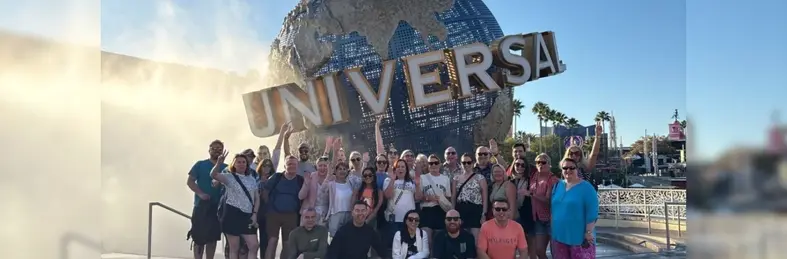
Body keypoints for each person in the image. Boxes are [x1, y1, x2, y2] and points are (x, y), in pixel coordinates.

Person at [210, 150, 260, 259]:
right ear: (234, 164)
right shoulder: (229, 176)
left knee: (254, 245)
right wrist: (219, 163)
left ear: (247, 164)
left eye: (243, 162)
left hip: (247, 215)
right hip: (232, 214)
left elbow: (257, 198)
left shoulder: (251, 179)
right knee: (234, 248)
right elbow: (213, 175)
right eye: (239, 162)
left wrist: (255, 213)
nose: (241, 164)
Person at [550, 158, 599, 259]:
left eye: (572, 168)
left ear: (577, 169)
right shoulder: (557, 186)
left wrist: (588, 232)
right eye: (565, 168)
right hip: (559, 236)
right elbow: (553, 209)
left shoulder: (587, 188)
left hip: (579, 238)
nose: (568, 170)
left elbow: (592, 212)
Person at [186, 140, 227, 259]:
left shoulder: (226, 168)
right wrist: (200, 194)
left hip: (217, 207)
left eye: (219, 148)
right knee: (198, 238)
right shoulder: (200, 164)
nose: (217, 150)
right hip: (201, 206)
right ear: (209, 150)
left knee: (212, 238)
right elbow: (190, 181)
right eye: (214, 148)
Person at [264, 155, 306, 259]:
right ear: (284, 165)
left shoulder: (300, 180)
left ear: (297, 166)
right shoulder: (276, 177)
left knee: (287, 244)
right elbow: (265, 192)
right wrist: (268, 206)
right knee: (272, 241)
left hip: (291, 215)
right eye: (289, 164)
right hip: (273, 214)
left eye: (294, 164)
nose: (292, 166)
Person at [384, 158, 422, 255]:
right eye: (398, 167)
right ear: (395, 169)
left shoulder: (412, 182)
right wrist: (392, 180)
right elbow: (388, 195)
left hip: (410, 220)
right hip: (395, 219)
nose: (400, 169)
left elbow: (418, 198)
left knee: (409, 247)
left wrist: (417, 185)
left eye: (403, 167)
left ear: (406, 169)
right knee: (396, 247)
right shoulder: (388, 180)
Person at [420, 154, 452, 250]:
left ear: (439, 164)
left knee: (439, 240)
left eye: (435, 163)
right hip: (427, 210)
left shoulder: (445, 178)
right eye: (431, 163)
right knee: (427, 240)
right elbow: (417, 196)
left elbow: (448, 197)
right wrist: (428, 198)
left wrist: (442, 200)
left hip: (440, 210)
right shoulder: (423, 178)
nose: (433, 165)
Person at [530, 154, 559, 259]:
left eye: (543, 162)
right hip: (538, 218)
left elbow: (549, 200)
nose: (540, 164)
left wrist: (531, 194)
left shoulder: (553, 179)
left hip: (551, 219)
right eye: (538, 162)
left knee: (555, 252)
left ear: (549, 164)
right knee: (539, 250)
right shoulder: (534, 177)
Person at [451, 153, 487, 237]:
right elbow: (453, 196)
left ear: (473, 163)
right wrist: (453, 211)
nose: (466, 164)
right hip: (461, 208)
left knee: (475, 238)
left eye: (469, 162)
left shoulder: (480, 178)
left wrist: (484, 214)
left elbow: (484, 197)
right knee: (461, 237)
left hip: (475, 209)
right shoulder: (456, 178)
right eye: (464, 163)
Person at [562, 121, 603, 190]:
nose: (574, 156)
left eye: (576, 153)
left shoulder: (584, 168)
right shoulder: (564, 169)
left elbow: (594, 154)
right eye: (571, 153)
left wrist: (597, 137)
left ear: (580, 155)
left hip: (583, 198)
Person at [509, 156, 536, 259]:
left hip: (528, 217)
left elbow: (537, 194)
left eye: (522, 165)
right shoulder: (510, 181)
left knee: (531, 246)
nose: (519, 167)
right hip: (514, 216)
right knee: (514, 246)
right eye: (517, 164)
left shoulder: (531, 180)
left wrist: (530, 193)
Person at [323, 162, 356, 236]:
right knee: (334, 236)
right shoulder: (331, 184)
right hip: (335, 213)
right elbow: (323, 190)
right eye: (340, 169)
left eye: (344, 169)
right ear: (336, 171)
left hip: (349, 213)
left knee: (347, 236)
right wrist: (329, 174)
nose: (342, 171)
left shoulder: (350, 183)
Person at [254, 158, 275, 259]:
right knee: (252, 241)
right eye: (264, 166)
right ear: (260, 167)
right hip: (255, 212)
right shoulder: (254, 178)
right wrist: (261, 183)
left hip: (268, 213)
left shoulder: (274, 179)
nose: (266, 168)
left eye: (269, 166)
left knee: (265, 240)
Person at [299, 156, 330, 224]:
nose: (322, 168)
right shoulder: (311, 177)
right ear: (316, 167)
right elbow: (300, 196)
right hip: (309, 211)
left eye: (325, 165)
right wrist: (306, 185)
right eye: (320, 165)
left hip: (325, 213)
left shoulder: (332, 179)